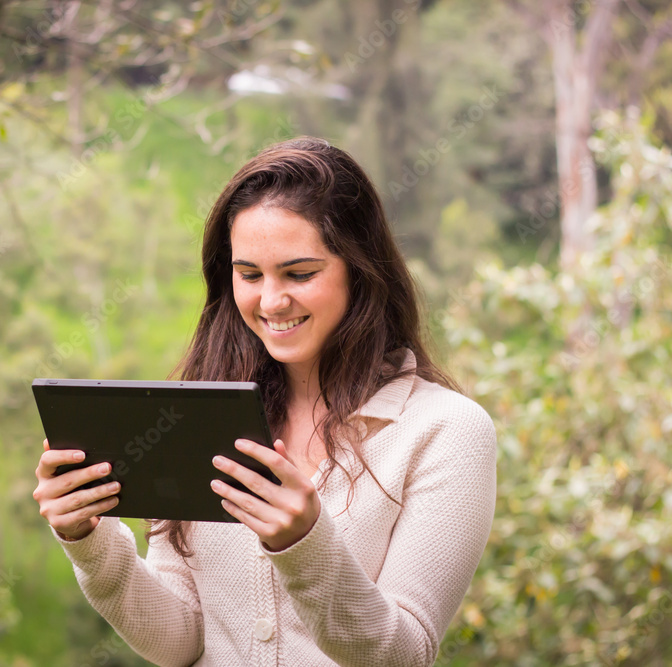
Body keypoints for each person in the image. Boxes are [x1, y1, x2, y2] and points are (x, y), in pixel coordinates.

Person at [33, 136, 497, 666]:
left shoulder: (445, 431)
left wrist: (305, 543)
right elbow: (179, 640)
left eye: (300, 273)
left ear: (361, 270)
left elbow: (401, 654)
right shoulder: (195, 413)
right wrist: (89, 540)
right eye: (249, 275)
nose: (271, 301)